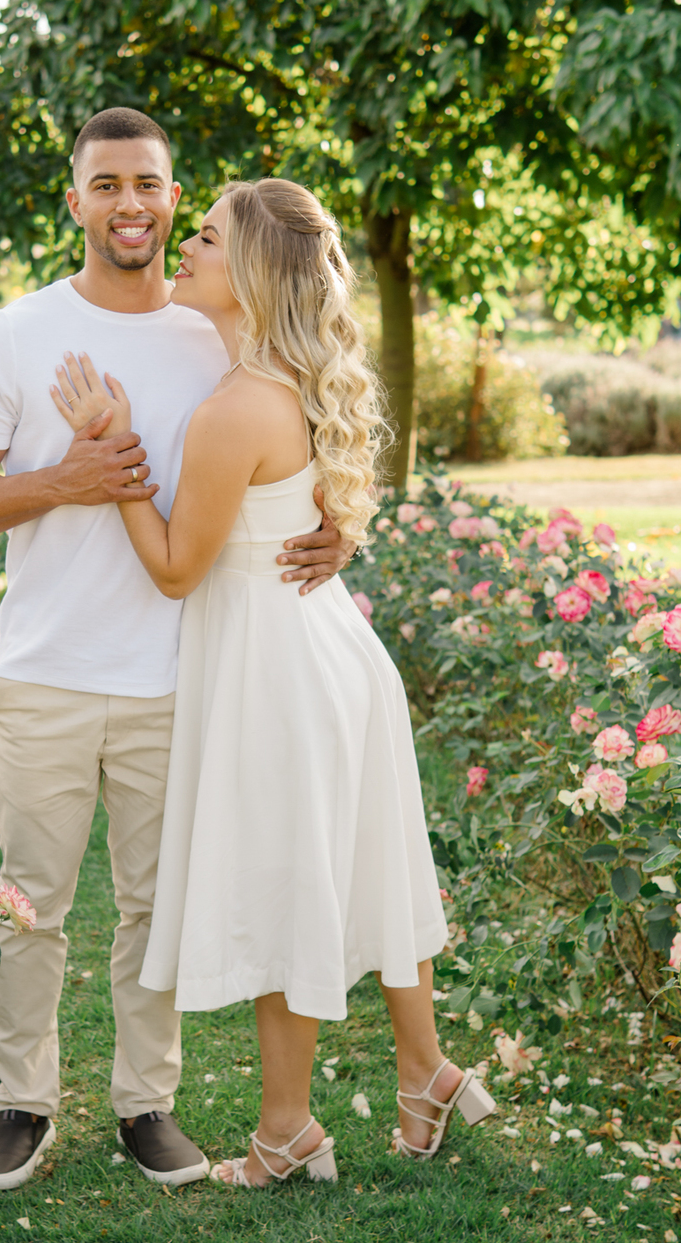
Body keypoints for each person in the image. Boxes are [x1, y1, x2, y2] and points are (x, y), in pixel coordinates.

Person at [0, 110, 352, 1192]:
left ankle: (146, 1103)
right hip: (47, 671)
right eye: (105, 185)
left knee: (157, 906)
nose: (130, 205)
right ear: (76, 203)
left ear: (171, 196)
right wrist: (66, 479)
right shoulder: (13, 336)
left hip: (182, 673)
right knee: (31, 904)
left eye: (148, 185)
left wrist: (339, 520)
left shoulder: (219, 330)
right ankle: (23, 1104)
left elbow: (312, 427)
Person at [50, 178, 495, 1186]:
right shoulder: (284, 377)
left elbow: (174, 569)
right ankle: (421, 1072)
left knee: (290, 882)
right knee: (367, 868)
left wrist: (110, 457)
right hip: (328, 650)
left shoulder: (234, 407)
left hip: (276, 666)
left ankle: (288, 1132)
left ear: (247, 272)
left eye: (205, 238)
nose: (187, 249)